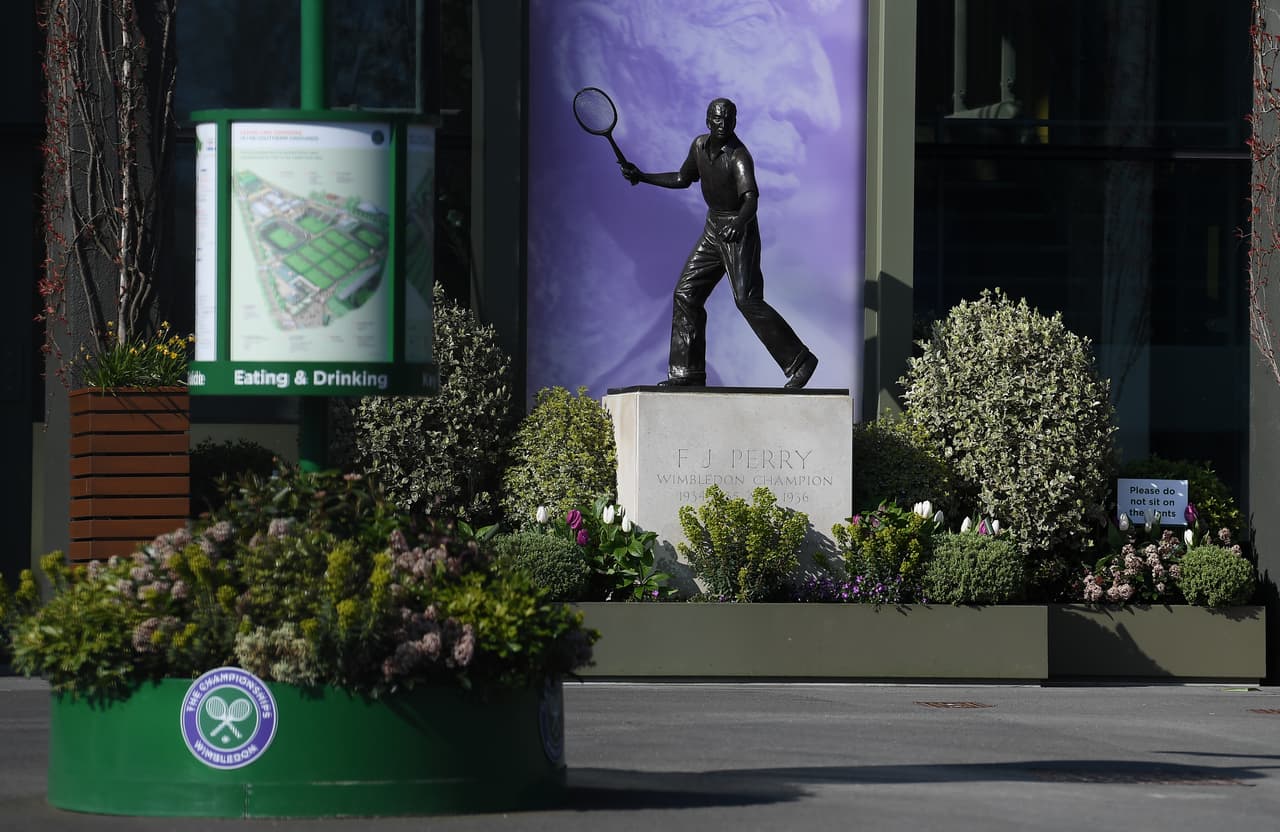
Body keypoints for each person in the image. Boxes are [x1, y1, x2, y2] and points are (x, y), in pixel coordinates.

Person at [620, 98, 818, 388]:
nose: (722, 124)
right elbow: (681, 177)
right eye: (717, 119)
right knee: (686, 293)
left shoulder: (739, 156)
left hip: (740, 231)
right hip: (714, 228)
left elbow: (751, 200)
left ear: (735, 122)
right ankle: (687, 374)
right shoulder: (699, 146)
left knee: (747, 300)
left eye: (728, 119)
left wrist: (739, 223)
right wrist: (642, 176)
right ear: (707, 121)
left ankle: (800, 361)